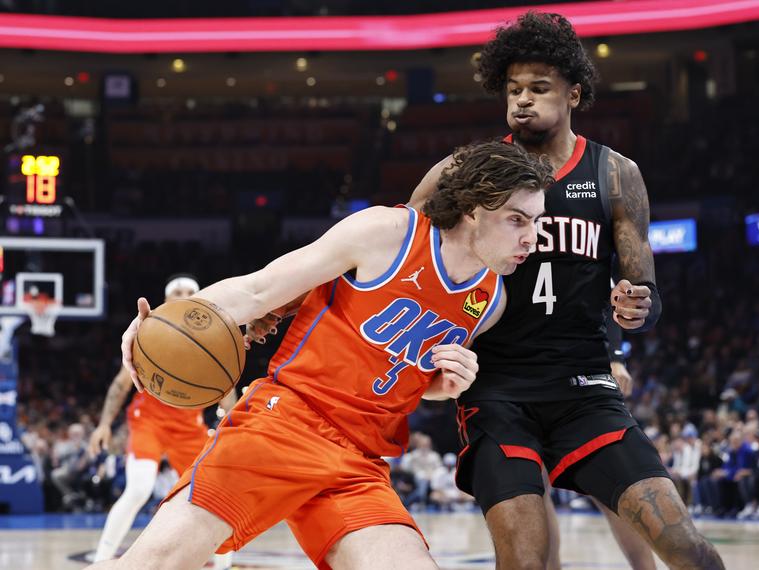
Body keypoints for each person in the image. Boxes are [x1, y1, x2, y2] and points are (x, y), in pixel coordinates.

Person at [88, 139, 555, 570]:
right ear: (473, 209)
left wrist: (445, 385)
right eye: (517, 219)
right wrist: (166, 321)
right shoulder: (387, 233)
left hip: (359, 462)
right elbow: (259, 290)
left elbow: (414, 382)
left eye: (537, 221)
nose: (531, 237)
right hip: (283, 424)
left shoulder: (491, 301)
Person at [406, 12, 723, 569]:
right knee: (529, 558)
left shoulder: (614, 173)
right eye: (512, 89)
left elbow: (643, 293)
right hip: (496, 388)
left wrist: (636, 308)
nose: (521, 100)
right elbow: (395, 248)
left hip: (585, 386)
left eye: (538, 88)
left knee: (686, 546)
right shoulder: (464, 171)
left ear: (574, 94)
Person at [88, 275, 236, 568]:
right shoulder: (150, 331)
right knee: (140, 487)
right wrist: (105, 424)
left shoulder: (216, 335)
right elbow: (121, 384)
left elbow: (227, 389)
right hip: (149, 420)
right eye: (177, 291)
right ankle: (103, 559)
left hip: (188, 425)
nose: (184, 294)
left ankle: (225, 564)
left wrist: (229, 425)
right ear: (166, 300)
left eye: (190, 291)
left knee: (214, 494)